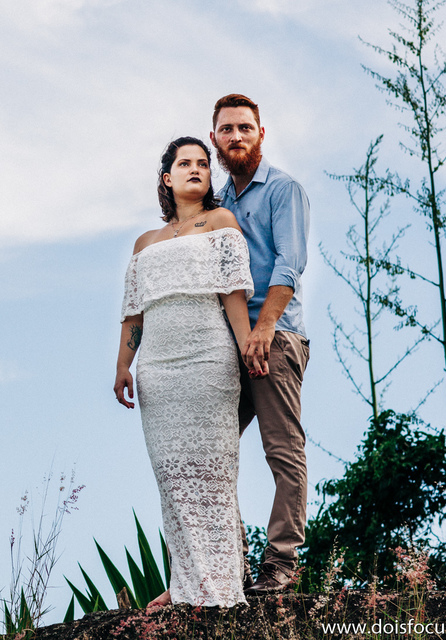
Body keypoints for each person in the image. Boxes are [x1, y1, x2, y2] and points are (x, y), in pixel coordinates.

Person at [113, 136, 259, 608]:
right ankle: (185, 588)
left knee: (214, 476)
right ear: (167, 178)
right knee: (173, 480)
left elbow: (234, 298)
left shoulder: (221, 223)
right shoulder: (144, 244)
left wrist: (248, 351)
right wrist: (123, 366)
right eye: (185, 163)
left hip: (209, 361)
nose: (196, 168)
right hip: (157, 369)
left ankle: (220, 593)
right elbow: (133, 314)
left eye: (202, 163)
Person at [210, 93, 310, 594]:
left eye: (244, 128)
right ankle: (229, 563)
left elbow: (289, 265)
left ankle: (282, 563)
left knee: (282, 451)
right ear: (215, 140)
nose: (236, 137)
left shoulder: (283, 190)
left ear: (261, 134)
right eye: (227, 130)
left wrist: (265, 330)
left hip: (275, 337)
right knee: (211, 450)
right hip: (229, 342)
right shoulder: (219, 204)